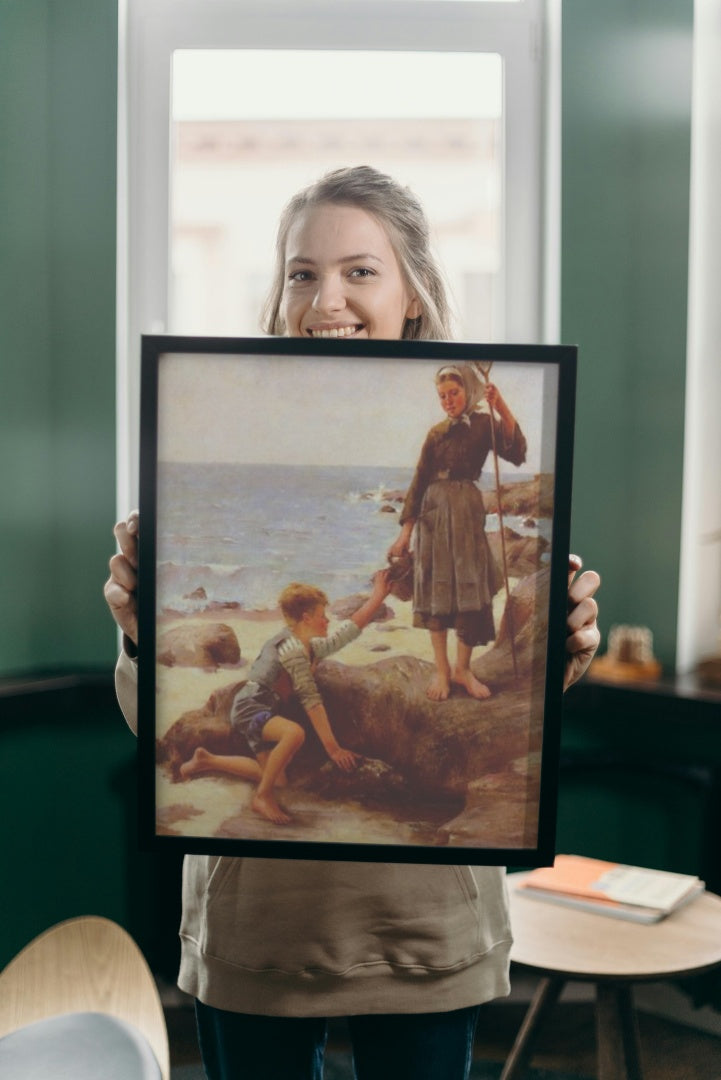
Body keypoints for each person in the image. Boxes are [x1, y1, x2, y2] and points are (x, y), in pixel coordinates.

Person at [105, 166, 601, 1080]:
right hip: (257, 927)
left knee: (453, 619)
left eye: (358, 271)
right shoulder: (204, 407)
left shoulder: (480, 412)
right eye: (301, 272)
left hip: (423, 927)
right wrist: (139, 635)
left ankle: (446, 670)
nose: (324, 297)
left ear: (412, 292)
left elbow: (530, 709)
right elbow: (152, 721)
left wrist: (562, 650)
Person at [180, 574, 391, 825]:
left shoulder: (307, 645)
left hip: (262, 709)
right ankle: (262, 796)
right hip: (252, 708)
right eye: (322, 615)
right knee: (294, 733)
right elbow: (311, 699)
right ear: (306, 618)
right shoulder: (292, 650)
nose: (327, 620)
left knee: (277, 777)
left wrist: (378, 596)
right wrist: (333, 749)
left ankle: (207, 760)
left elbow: (344, 635)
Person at [389, 363, 526, 702]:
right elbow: (418, 482)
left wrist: (502, 407)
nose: (448, 400)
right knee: (436, 589)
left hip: (466, 511)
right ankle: (442, 670)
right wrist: (405, 534)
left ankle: (463, 669)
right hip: (433, 515)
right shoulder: (435, 434)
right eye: (442, 396)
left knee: (468, 584)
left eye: (454, 393)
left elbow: (516, 453)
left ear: (469, 391)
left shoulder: (483, 425)